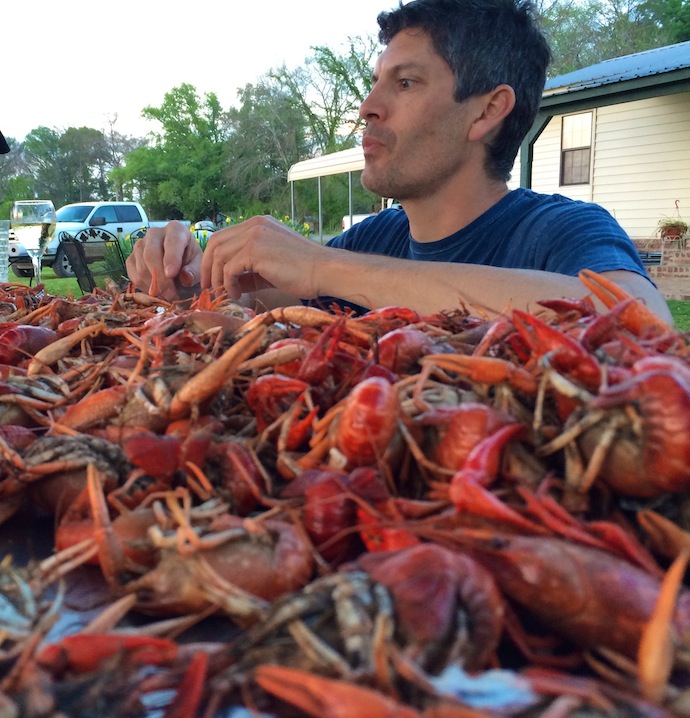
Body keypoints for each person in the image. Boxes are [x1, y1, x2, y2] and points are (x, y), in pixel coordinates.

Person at [126, 0, 672, 323]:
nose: (367, 108)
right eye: (375, 83)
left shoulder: (558, 230)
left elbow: (642, 322)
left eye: (405, 82)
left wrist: (323, 265)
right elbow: (252, 298)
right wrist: (187, 274)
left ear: (486, 110)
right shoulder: (374, 240)